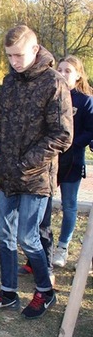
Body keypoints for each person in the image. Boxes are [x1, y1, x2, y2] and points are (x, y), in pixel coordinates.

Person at [0, 25, 72, 319]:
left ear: (35, 49)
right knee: (4, 235)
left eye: (18, 55)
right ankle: (8, 292)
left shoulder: (54, 83)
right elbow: (2, 123)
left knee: (28, 237)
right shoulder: (11, 81)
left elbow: (62, 134)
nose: (14, 61)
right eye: (9, 56)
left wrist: (27, 161)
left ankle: (45, 292)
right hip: (7, 173)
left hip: (36, 176)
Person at [50, 56, 93, 267]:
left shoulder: (85, 100)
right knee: (44, 203)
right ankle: (43, 246)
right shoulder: (51, 94)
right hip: (50, 159)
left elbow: (90, 132)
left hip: (73, 160)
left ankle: (62, 247)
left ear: (77, 75)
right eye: (60, 69)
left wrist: (71, 143)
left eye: (68, 70)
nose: (63, 73)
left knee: (69, 205)